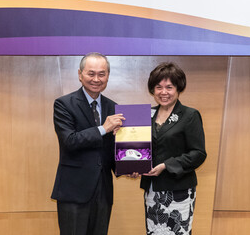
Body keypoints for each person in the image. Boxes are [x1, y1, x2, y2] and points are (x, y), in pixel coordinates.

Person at [51, 52, 125, 235]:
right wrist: (103, 128)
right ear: (80, 74)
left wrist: (127, 165)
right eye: (91, 73)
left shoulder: (114, 108)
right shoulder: (64, 104)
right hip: (74, 191)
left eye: (102, 74)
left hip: (103, 191)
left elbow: (112, 150)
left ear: (108, 75)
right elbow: (70, 141)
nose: (96, 79)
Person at [140, 62, 207, 235]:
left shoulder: (189, 115)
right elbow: (140, 149)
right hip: (153, 191)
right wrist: (134, 166)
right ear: (152, 90)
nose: (163, 92)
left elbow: (198, 154)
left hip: (179, 192)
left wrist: (166, 165)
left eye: (169, 87)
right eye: (158, 87)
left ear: (178, 89)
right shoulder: (145, 115)